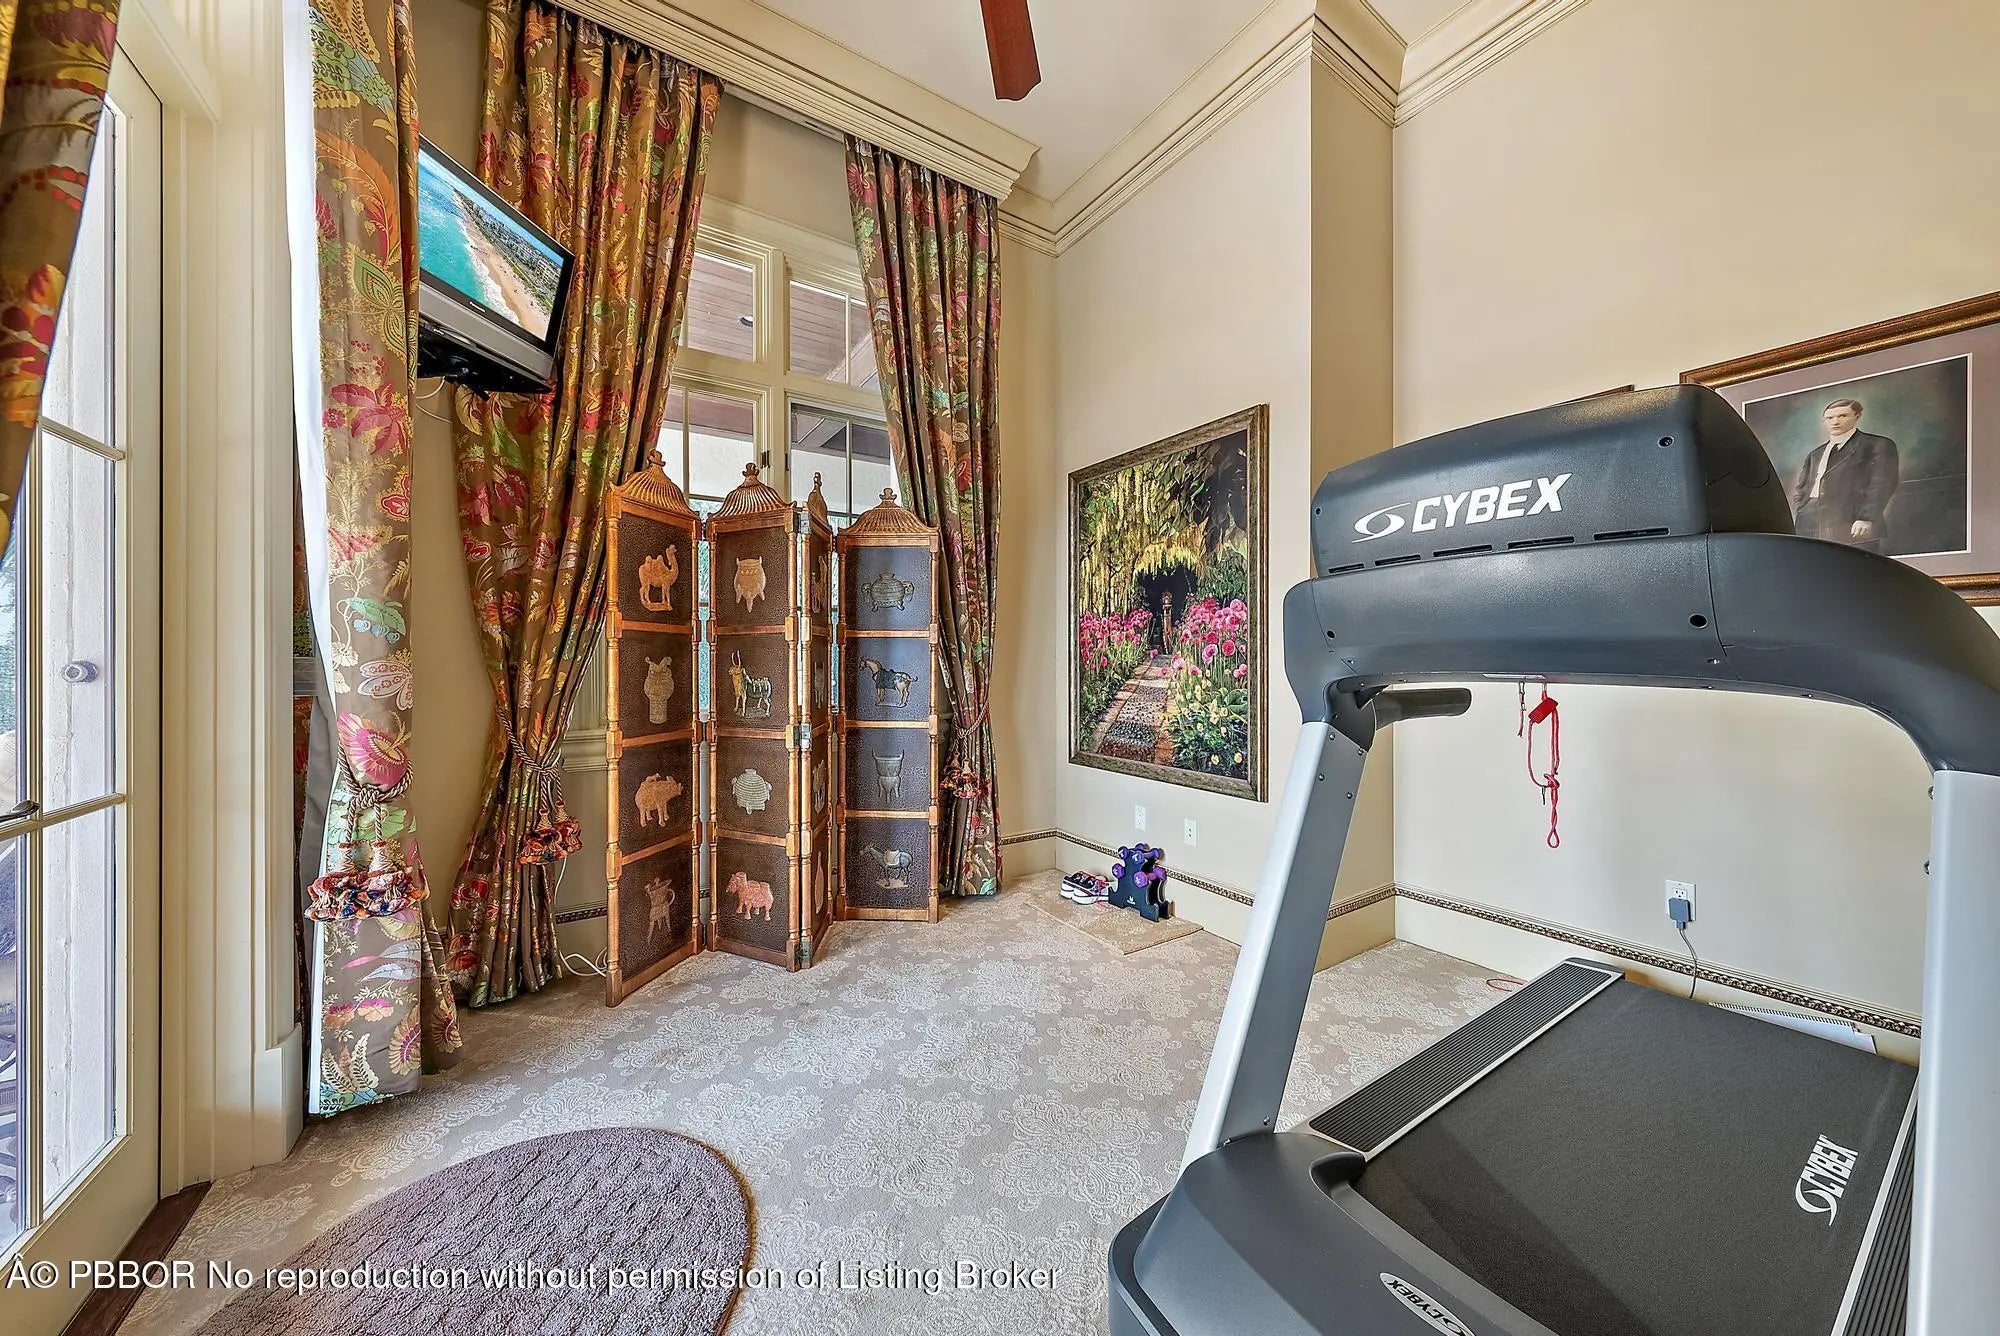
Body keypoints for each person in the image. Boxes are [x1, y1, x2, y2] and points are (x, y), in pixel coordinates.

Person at [1789, 398, 1900, 553]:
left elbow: (1882, 484)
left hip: (1851, 523)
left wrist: (1866, 517)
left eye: (1842, 416)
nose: (1835, 422)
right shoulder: (1815, 454)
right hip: (1810, 523)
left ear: (1857, 416)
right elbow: (1803, 487)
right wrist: (1802, 509)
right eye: (1830, 418)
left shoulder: (1876, 445)